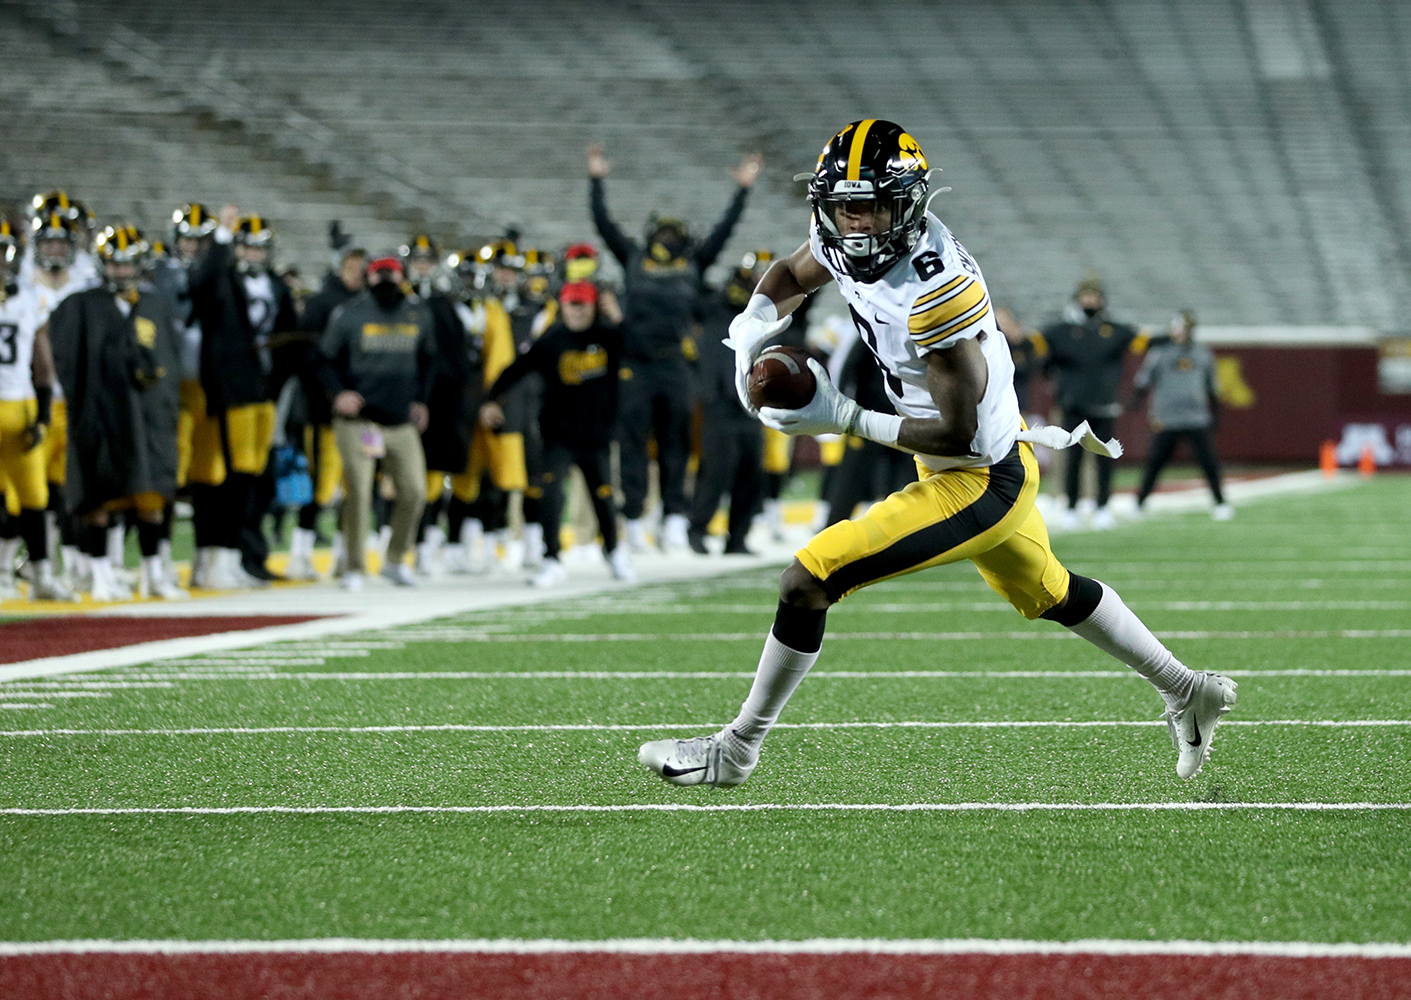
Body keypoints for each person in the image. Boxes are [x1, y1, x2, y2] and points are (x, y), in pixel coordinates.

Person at [638, 119, 1237, 789]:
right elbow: (789, 273)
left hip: (979, 474)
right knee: (1052, 592)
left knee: (807, 579)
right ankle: (1188, 689)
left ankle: (736, 748)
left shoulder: (935, 289)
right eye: (842, 206)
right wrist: (749, 329)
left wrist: (841, 416)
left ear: (907, 205)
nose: (853, 222)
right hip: (965, 459)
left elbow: (955, 433)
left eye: (868, 207)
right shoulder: (846, 233)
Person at [587, 141, 761, 551]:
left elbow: (724, 231)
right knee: (632, 443)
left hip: (675, 366)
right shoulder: (632, 258)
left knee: (675, 444)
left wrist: (742, 191)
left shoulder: (693, 265)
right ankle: (632, 518)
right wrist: (596, 180)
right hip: (635, 364)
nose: (667, 237)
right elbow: (603, 224)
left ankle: (672, 518)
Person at [49, 225, 184, 601]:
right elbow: (67, 362)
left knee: (152, 496)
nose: (121, 272)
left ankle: (153, 574)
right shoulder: (80, 305)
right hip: (101, 416)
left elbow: (168, 362)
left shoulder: (155, 305)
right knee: (98, 497)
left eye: (127, 265)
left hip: (146, 416)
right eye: (114, 265)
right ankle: (100, 575)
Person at [478, 279, 632, 586]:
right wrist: (492, 399)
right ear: (562, 306)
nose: (576, 311)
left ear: (593, 306)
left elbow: (639, 347)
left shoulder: (609, 336)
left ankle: (614, 552)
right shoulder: (552, 339)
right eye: (571, 305)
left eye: (582, 305)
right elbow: (517, 368)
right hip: (558, 435)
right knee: (550, 496)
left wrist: (617, 316)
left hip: (597, 436)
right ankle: (551, 558)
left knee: (603, 497)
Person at [188, 206, 299, 584]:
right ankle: (223, 557)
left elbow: (288, 338)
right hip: (230, 388)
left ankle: (241, 557)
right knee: (231, 476)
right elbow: (203, 283)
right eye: (247, 247)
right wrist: (221, 236)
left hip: (263, 390)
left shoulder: (277, 286)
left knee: (254, 477)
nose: (253, 255)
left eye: (259, 249)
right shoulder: (222, 278)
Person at [316, 253, 434, 590]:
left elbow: (428, 360)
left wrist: (421, 400)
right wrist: (338, 393)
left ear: (402, 278)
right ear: (369, 278)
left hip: (399, 420)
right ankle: (353, 566)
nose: (385, 281)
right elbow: (323, 360)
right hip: (360, 421)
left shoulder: (418, 312)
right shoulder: (350, 313)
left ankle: (395, 559)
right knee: (360, 494)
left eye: (391, 275)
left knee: (415, 491)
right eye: (379, 275)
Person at [285, 233, 365, 580]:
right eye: (354, 267)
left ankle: (343, 554)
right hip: (322, 410)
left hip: (362, 411)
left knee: (355, 485)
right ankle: (299, 554)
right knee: (318, 484)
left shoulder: (371, 305)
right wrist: (328, 393)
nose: (360, 274)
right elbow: (307, 356)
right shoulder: (322, 303)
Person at [1038, 277, 1147, 530]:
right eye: (1085, 296)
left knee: (1105, 459)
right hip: (1073, 405)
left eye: (1094, 296)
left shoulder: (1114, 330)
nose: (1090, 301)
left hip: (1105, 404)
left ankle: (1102, 507)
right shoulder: (1060, 332)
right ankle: (1071, 508)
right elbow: (1043, 362)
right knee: (1073, 459)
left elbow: (1142, 340)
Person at [0, 219, 72, 600]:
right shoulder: (28, 298)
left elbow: (43, 363)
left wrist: (43, 414)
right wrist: (44, 412)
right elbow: (42, 364)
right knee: (31, 498)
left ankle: (33, 575)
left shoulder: (29, 297)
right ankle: (37, 575)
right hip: (19, 405)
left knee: (32, 497)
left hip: (20, 407)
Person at [687, 251, 773, 556]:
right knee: (717, 469)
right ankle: (697, 529)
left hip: (750, 401)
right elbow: (694, 280)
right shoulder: (713, 308)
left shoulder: (761, 313)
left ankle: (737, 537)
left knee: (751, 471)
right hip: (718, 400)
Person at [1133, 310, 1231, 520]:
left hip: (1196, 418)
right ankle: (1140, 503)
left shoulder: (1202, 353)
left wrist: (1216, 414)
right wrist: (1136, 402)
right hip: (1166, 418)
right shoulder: (1160, 352)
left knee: (1209, 462)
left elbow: (1212, 387)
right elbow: (1143, 380)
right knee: (1155, 462)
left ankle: (1220, 503)